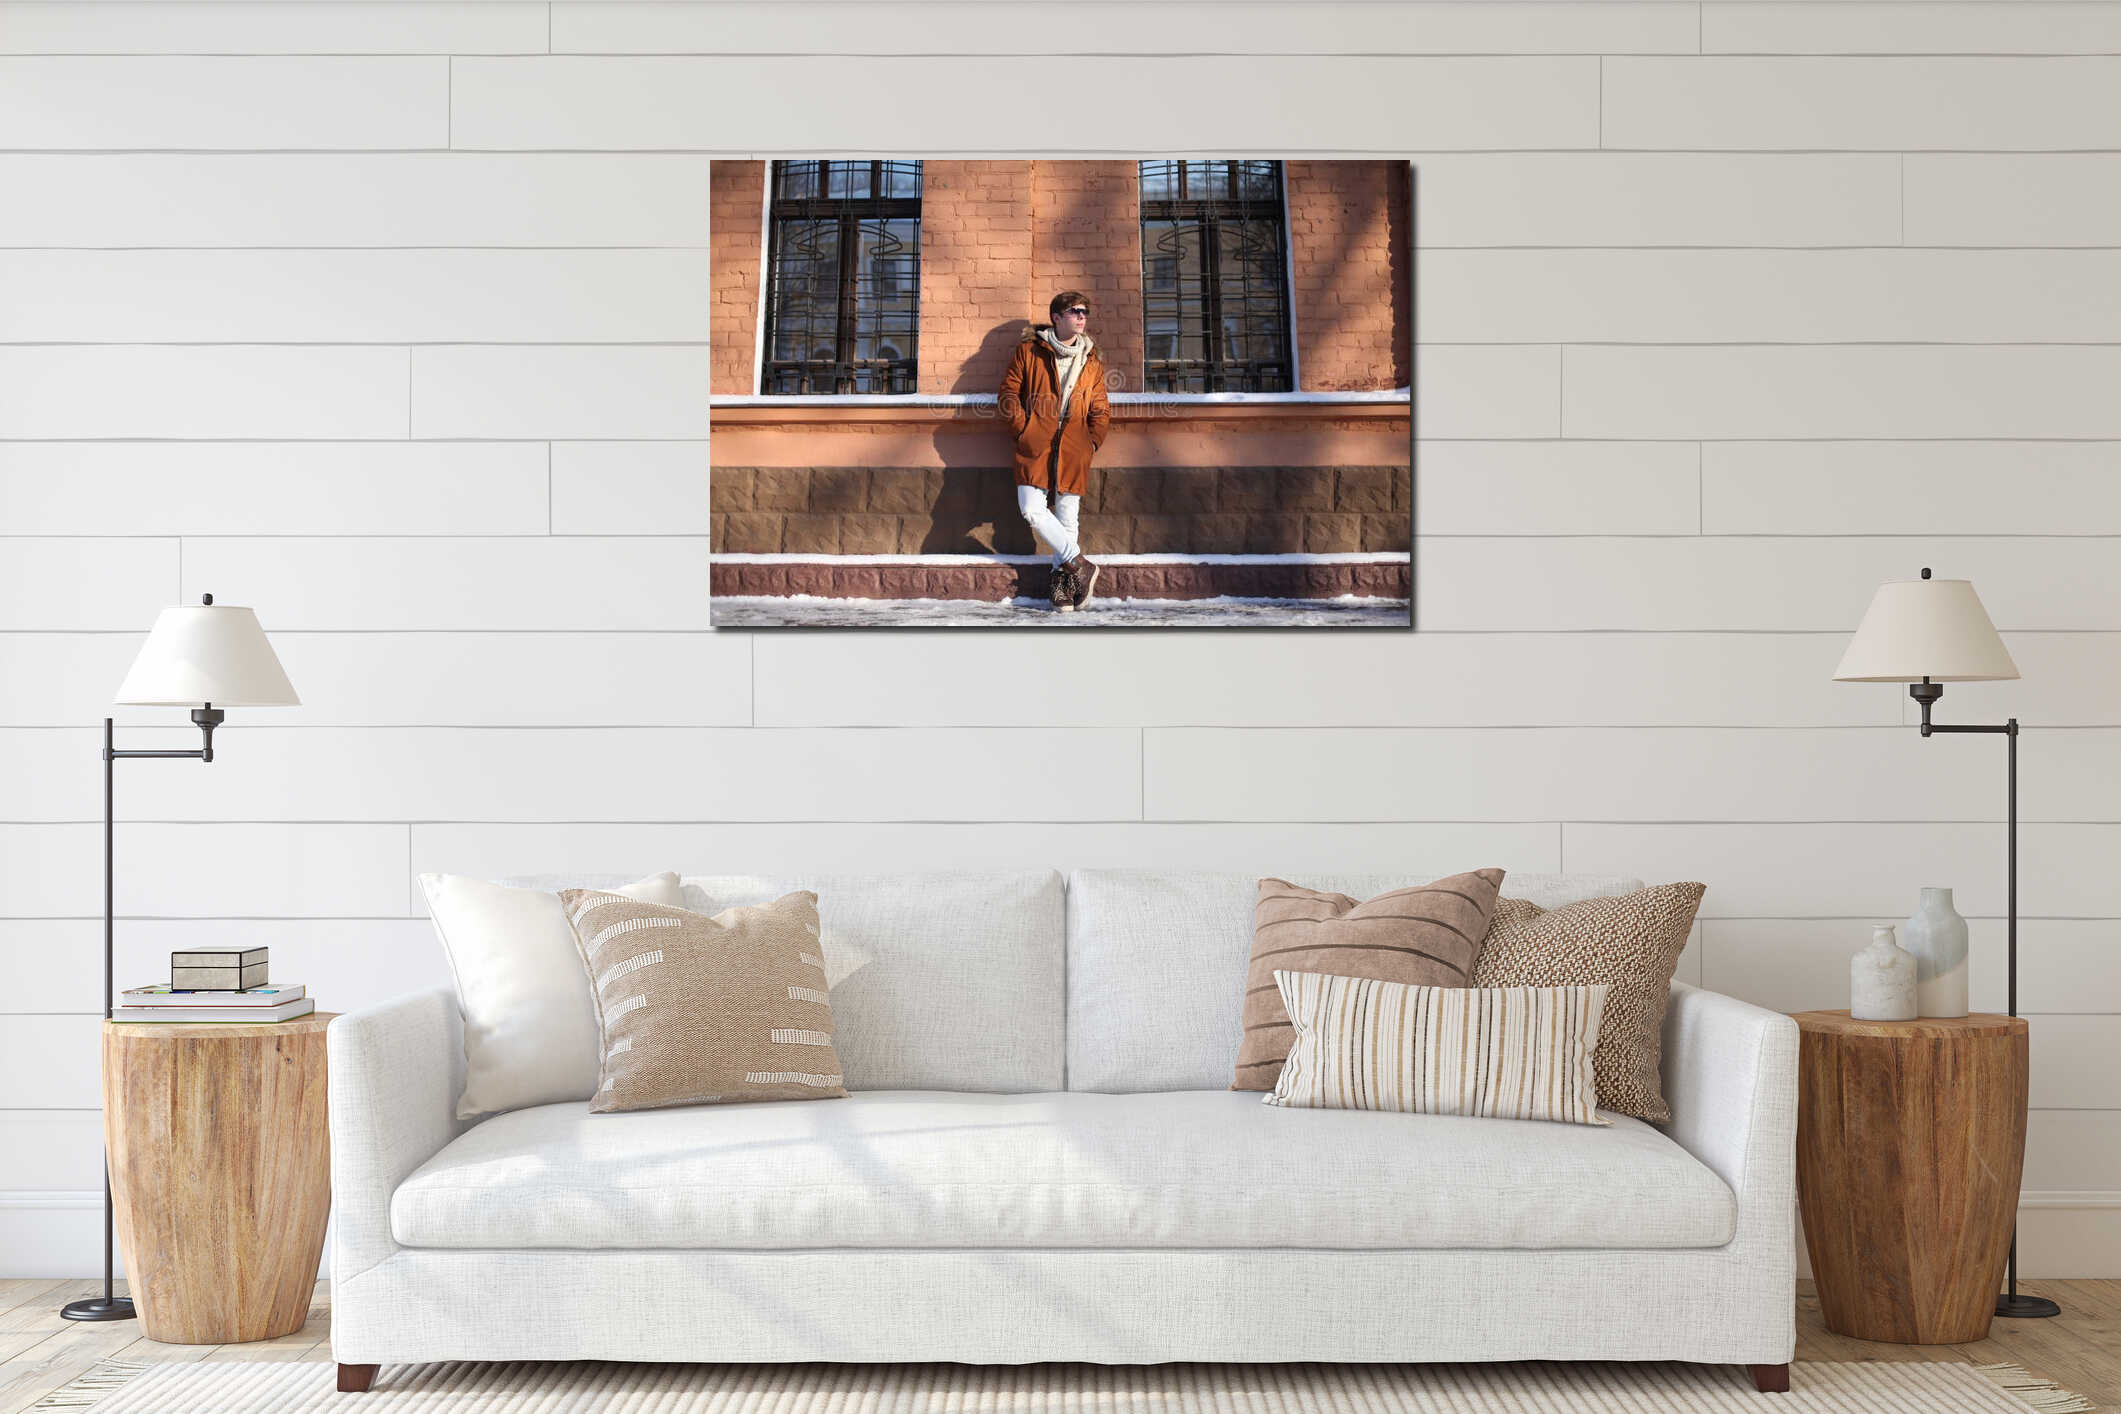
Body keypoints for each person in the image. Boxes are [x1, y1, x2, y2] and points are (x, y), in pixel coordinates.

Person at [997, 291, 1112, 612]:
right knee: (1032, 509)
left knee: (1067, 519)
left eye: (1085, 312)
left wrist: (1092, 441)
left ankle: (1061, 585)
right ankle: (1080, 564)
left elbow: (1100, 407)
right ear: (1057, 317)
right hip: (1035, 442)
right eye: (1075, 311)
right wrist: (1022, 430)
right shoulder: (1030, 351)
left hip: (1075, 446)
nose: (1082, 317)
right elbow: (1008, 392)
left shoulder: (1091, 359)